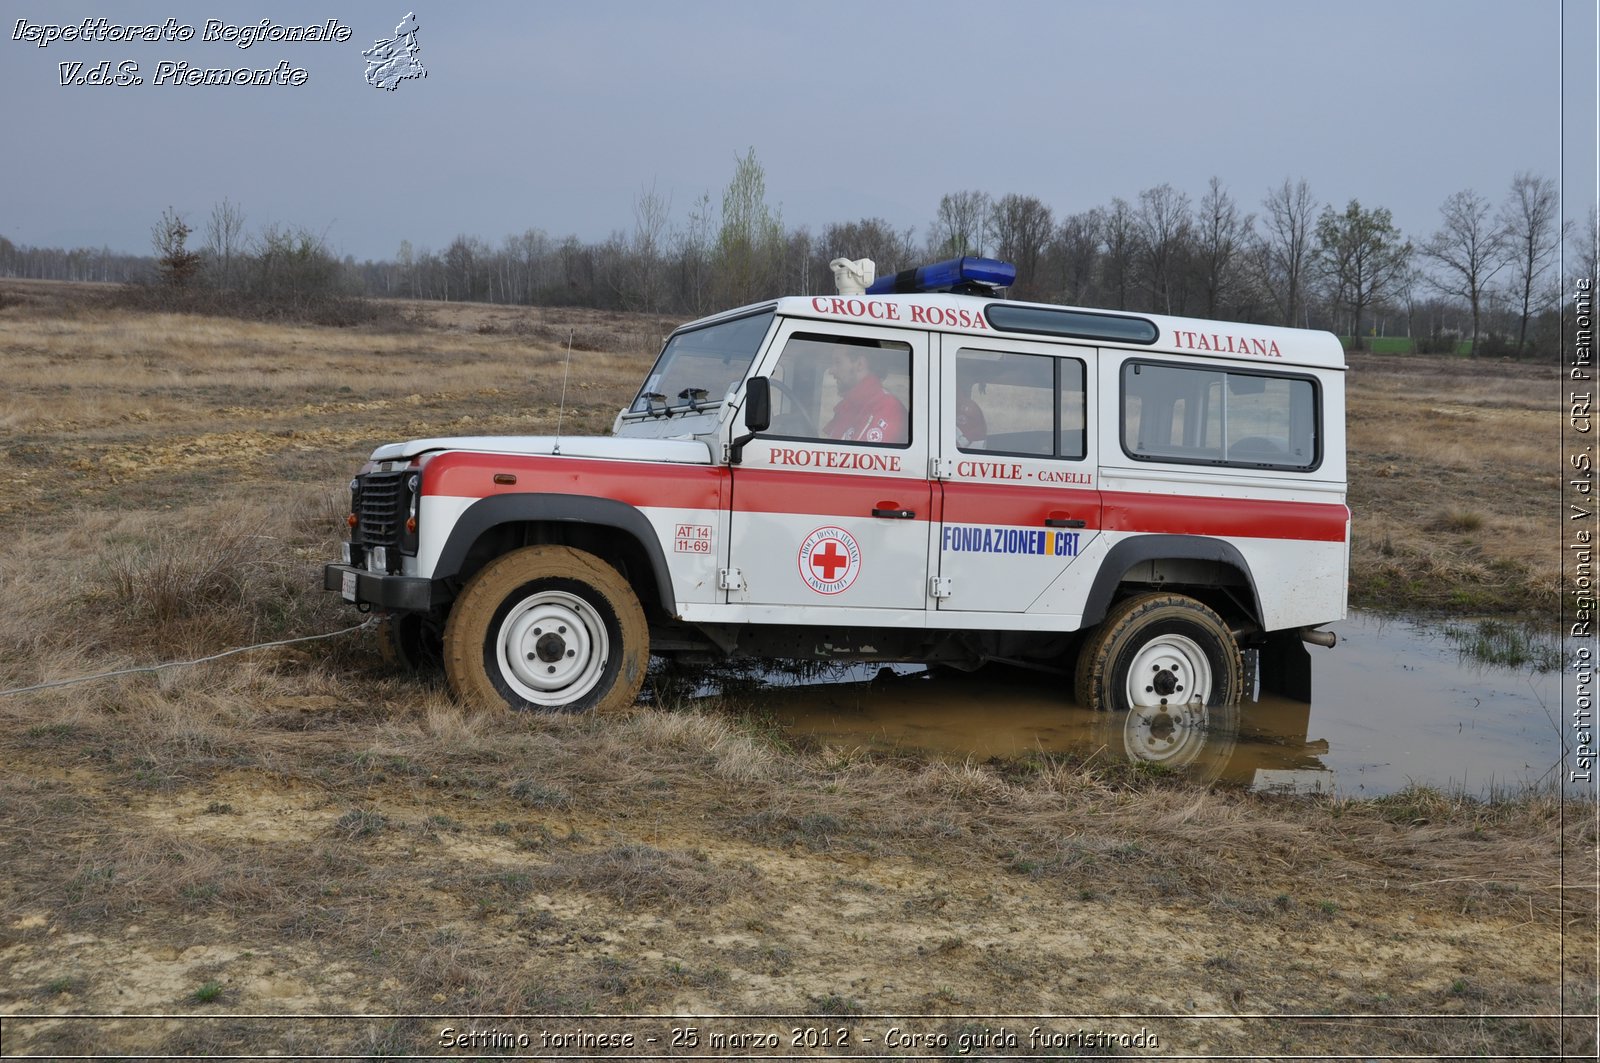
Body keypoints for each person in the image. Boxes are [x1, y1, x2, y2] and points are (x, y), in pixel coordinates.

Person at [823, 347, 907, 443]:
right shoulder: (847, 407)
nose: (831, 371)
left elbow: (862, 456)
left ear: (860, 364)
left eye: (838, 362)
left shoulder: (887, 408)